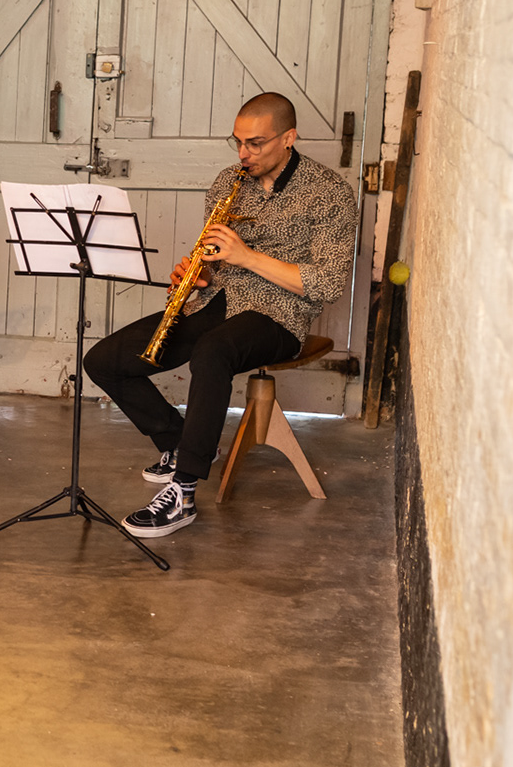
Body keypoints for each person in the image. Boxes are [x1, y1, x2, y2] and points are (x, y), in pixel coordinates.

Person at [83, 92, 359, 538]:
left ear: (288, 138)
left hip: (281, 314)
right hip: (218, 301)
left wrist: (246, 256)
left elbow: (327, 284)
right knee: (105, 360)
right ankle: (178, 440)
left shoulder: (329, 194)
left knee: (212, 353)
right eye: (237, 142)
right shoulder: (229, 181)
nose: (243, 154)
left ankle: (184, 491)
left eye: (256, 143)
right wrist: (198, 272)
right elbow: (214, 256)